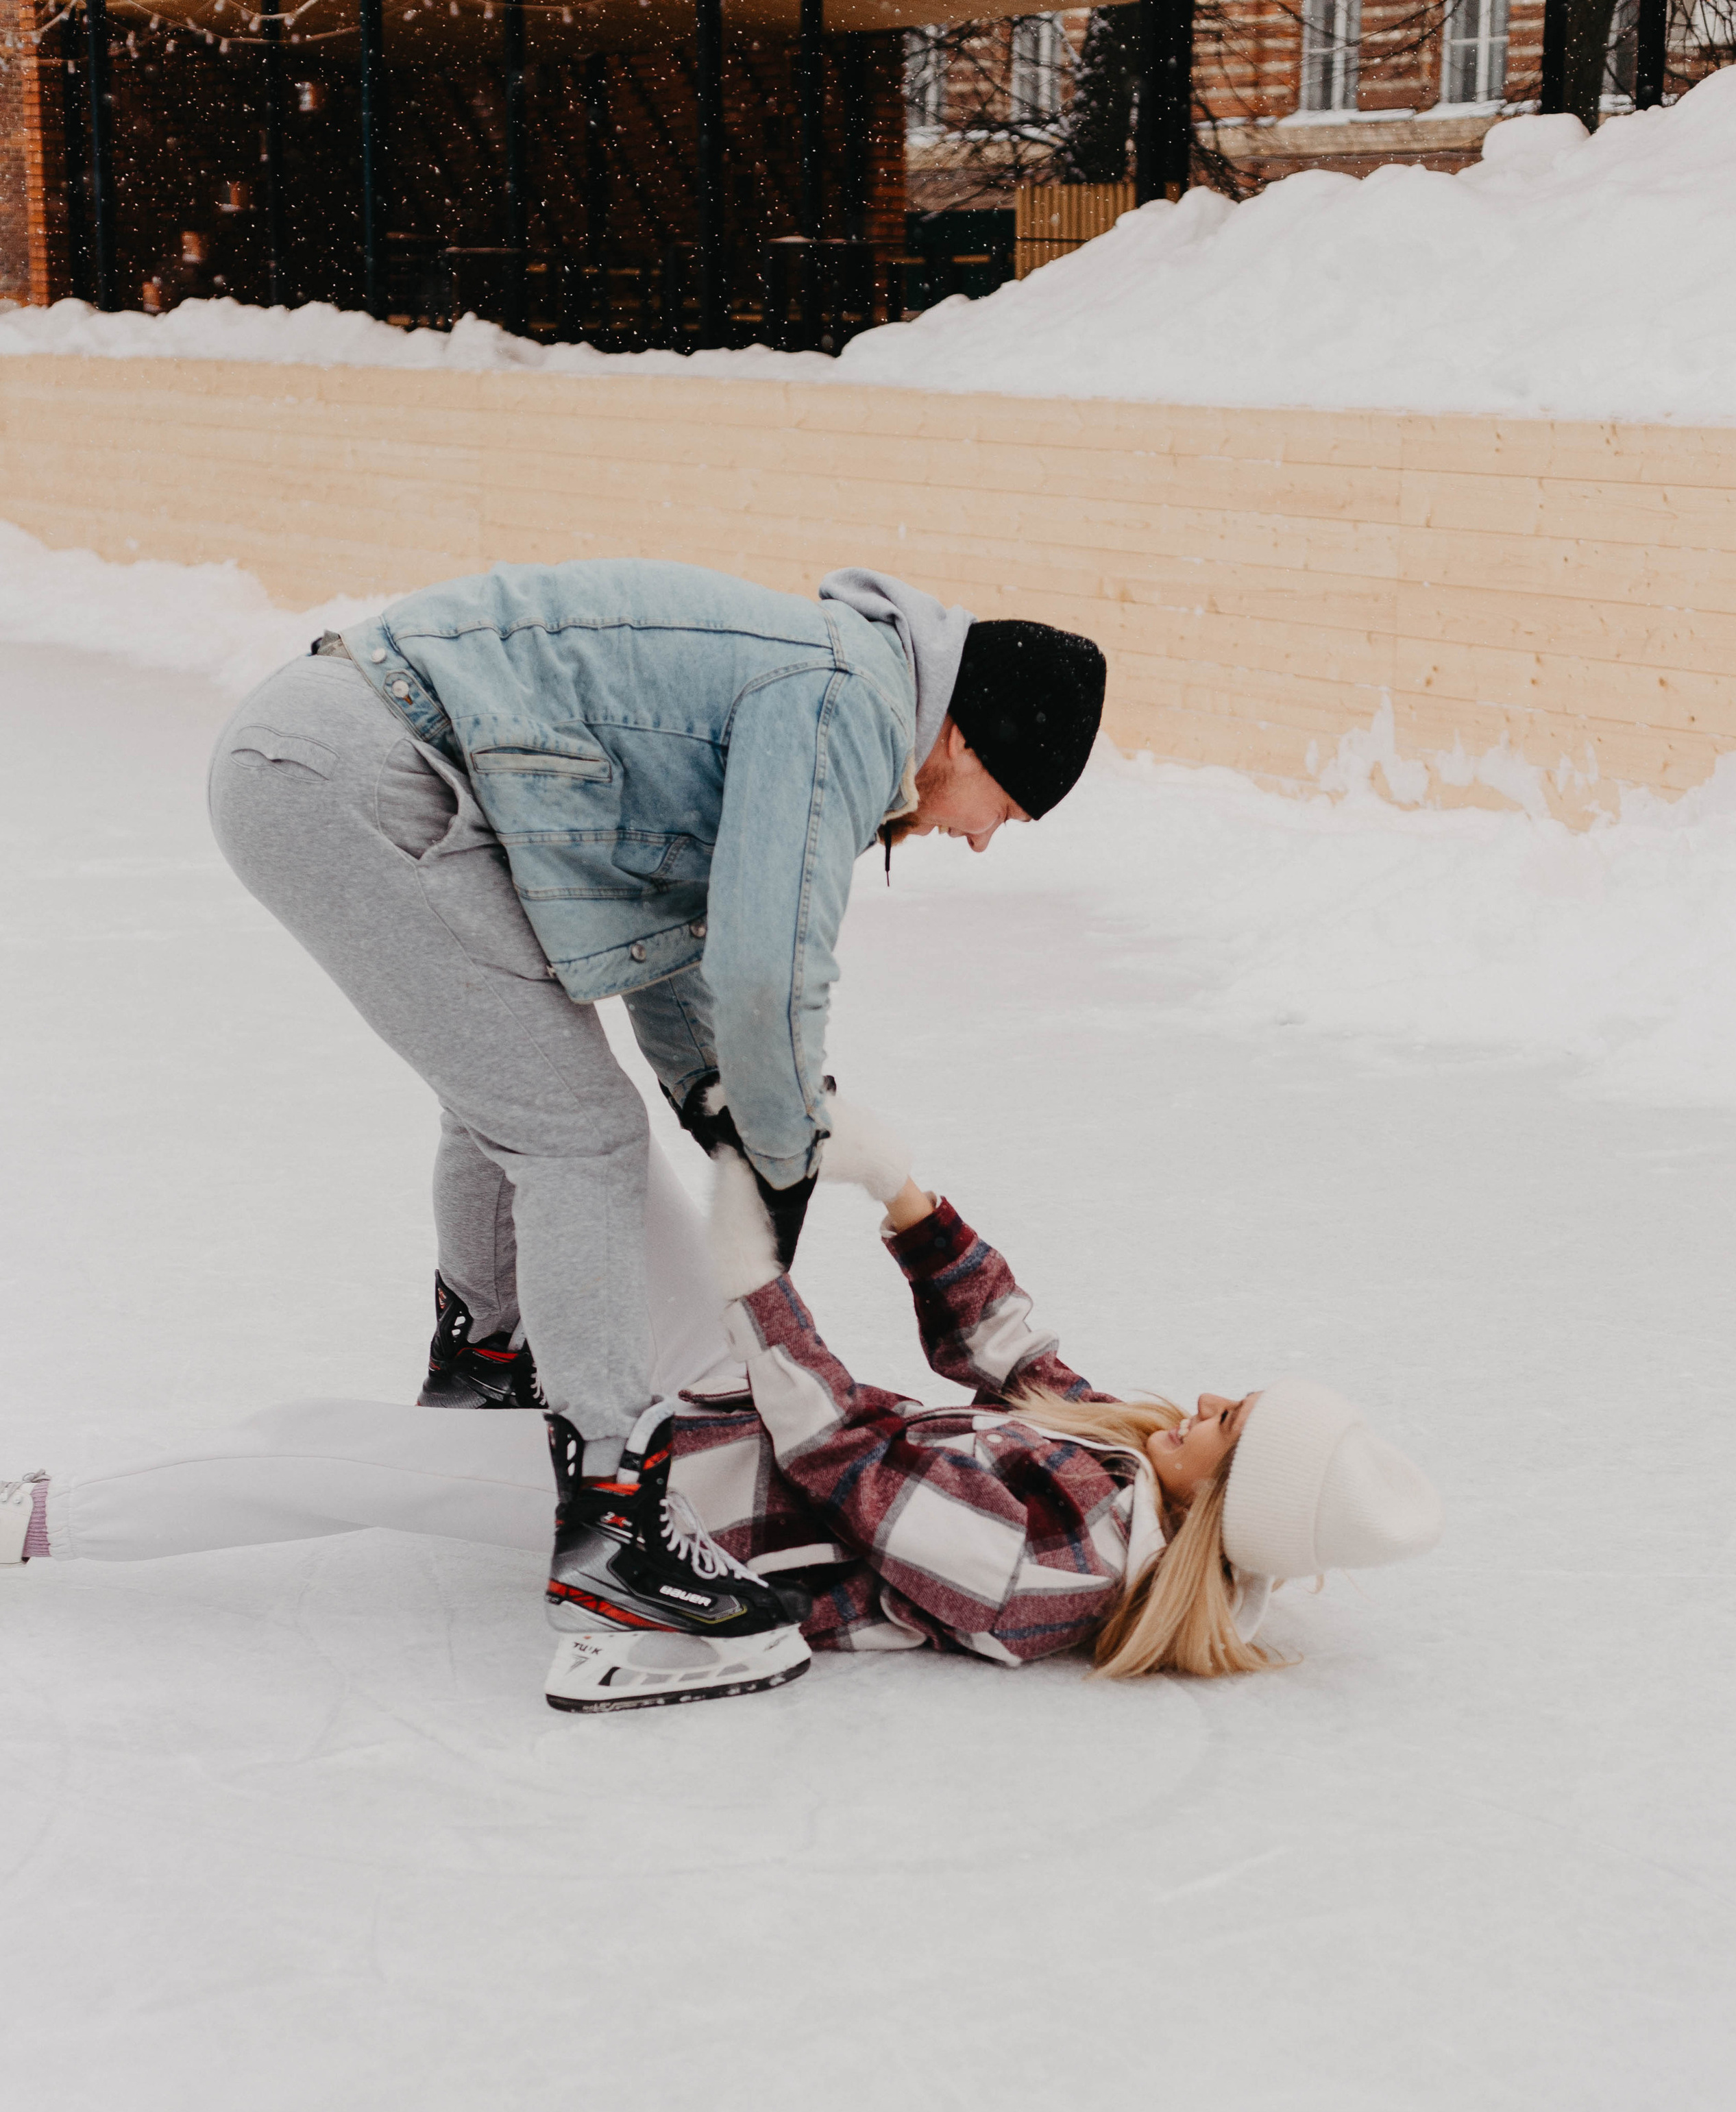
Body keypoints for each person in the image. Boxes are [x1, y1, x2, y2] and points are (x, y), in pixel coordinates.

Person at [206, 558, 1108, 1706]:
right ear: (971, 744)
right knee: (575, 1135)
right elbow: (765, 960)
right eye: (1009, 813)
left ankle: (488, 1362)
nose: (984, 841)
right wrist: (779, 1150)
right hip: (357, 770)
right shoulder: (850, 707)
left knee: (521, 1085)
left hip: (343, 751)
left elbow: (670, 924)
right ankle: (612, 1531)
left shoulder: (833, 684)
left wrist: (716, 1098)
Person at [3, 1104, 1441, 1714]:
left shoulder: (1049, 1580)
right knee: (574, 1127)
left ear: (1232, 1499)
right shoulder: (1126, 1467)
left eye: (1227, 1420)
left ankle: (32, 1524)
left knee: (323, 1456)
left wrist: (758, 1287)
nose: (1196, 1400)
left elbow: (849, 1460)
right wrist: (906, 1196)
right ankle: (492, 1303)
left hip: (681, 1515)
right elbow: (1017, 1359)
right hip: (716, 1409)